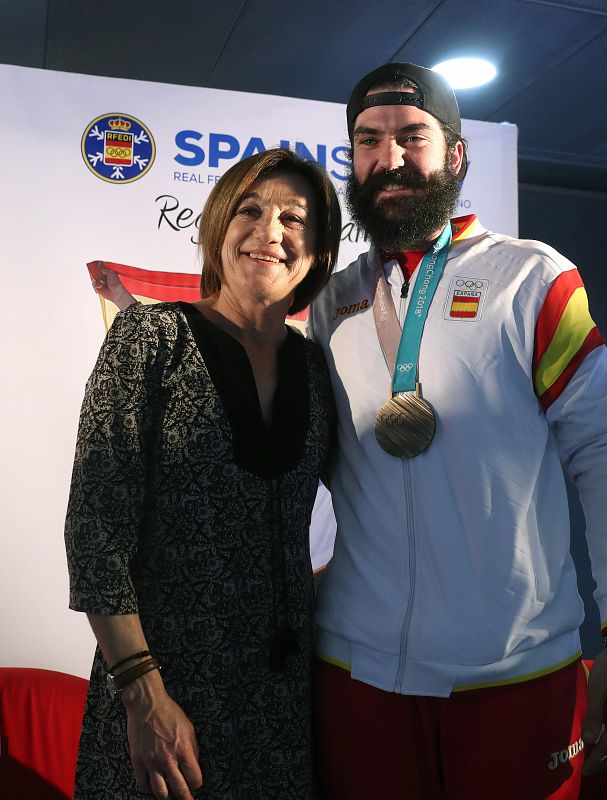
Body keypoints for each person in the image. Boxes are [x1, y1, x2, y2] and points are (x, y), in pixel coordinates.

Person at [306, 63, 607, 799]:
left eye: (412, 137)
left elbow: (604, 450)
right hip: (356, 671)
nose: (390, 158)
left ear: (455, 154)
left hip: (514, 673)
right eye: (368, 141)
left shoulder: (532, 278)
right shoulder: (332, 299)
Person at [64, 147, 341, 800]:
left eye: (293, 218)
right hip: (161, 707)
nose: (269, 231)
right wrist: (143, 697)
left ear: (319, 250)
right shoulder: (149, 338)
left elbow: (375, 507)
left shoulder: (318, 372)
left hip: (281, 709)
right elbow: (96, 530)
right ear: (216, 226)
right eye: (249, 209)